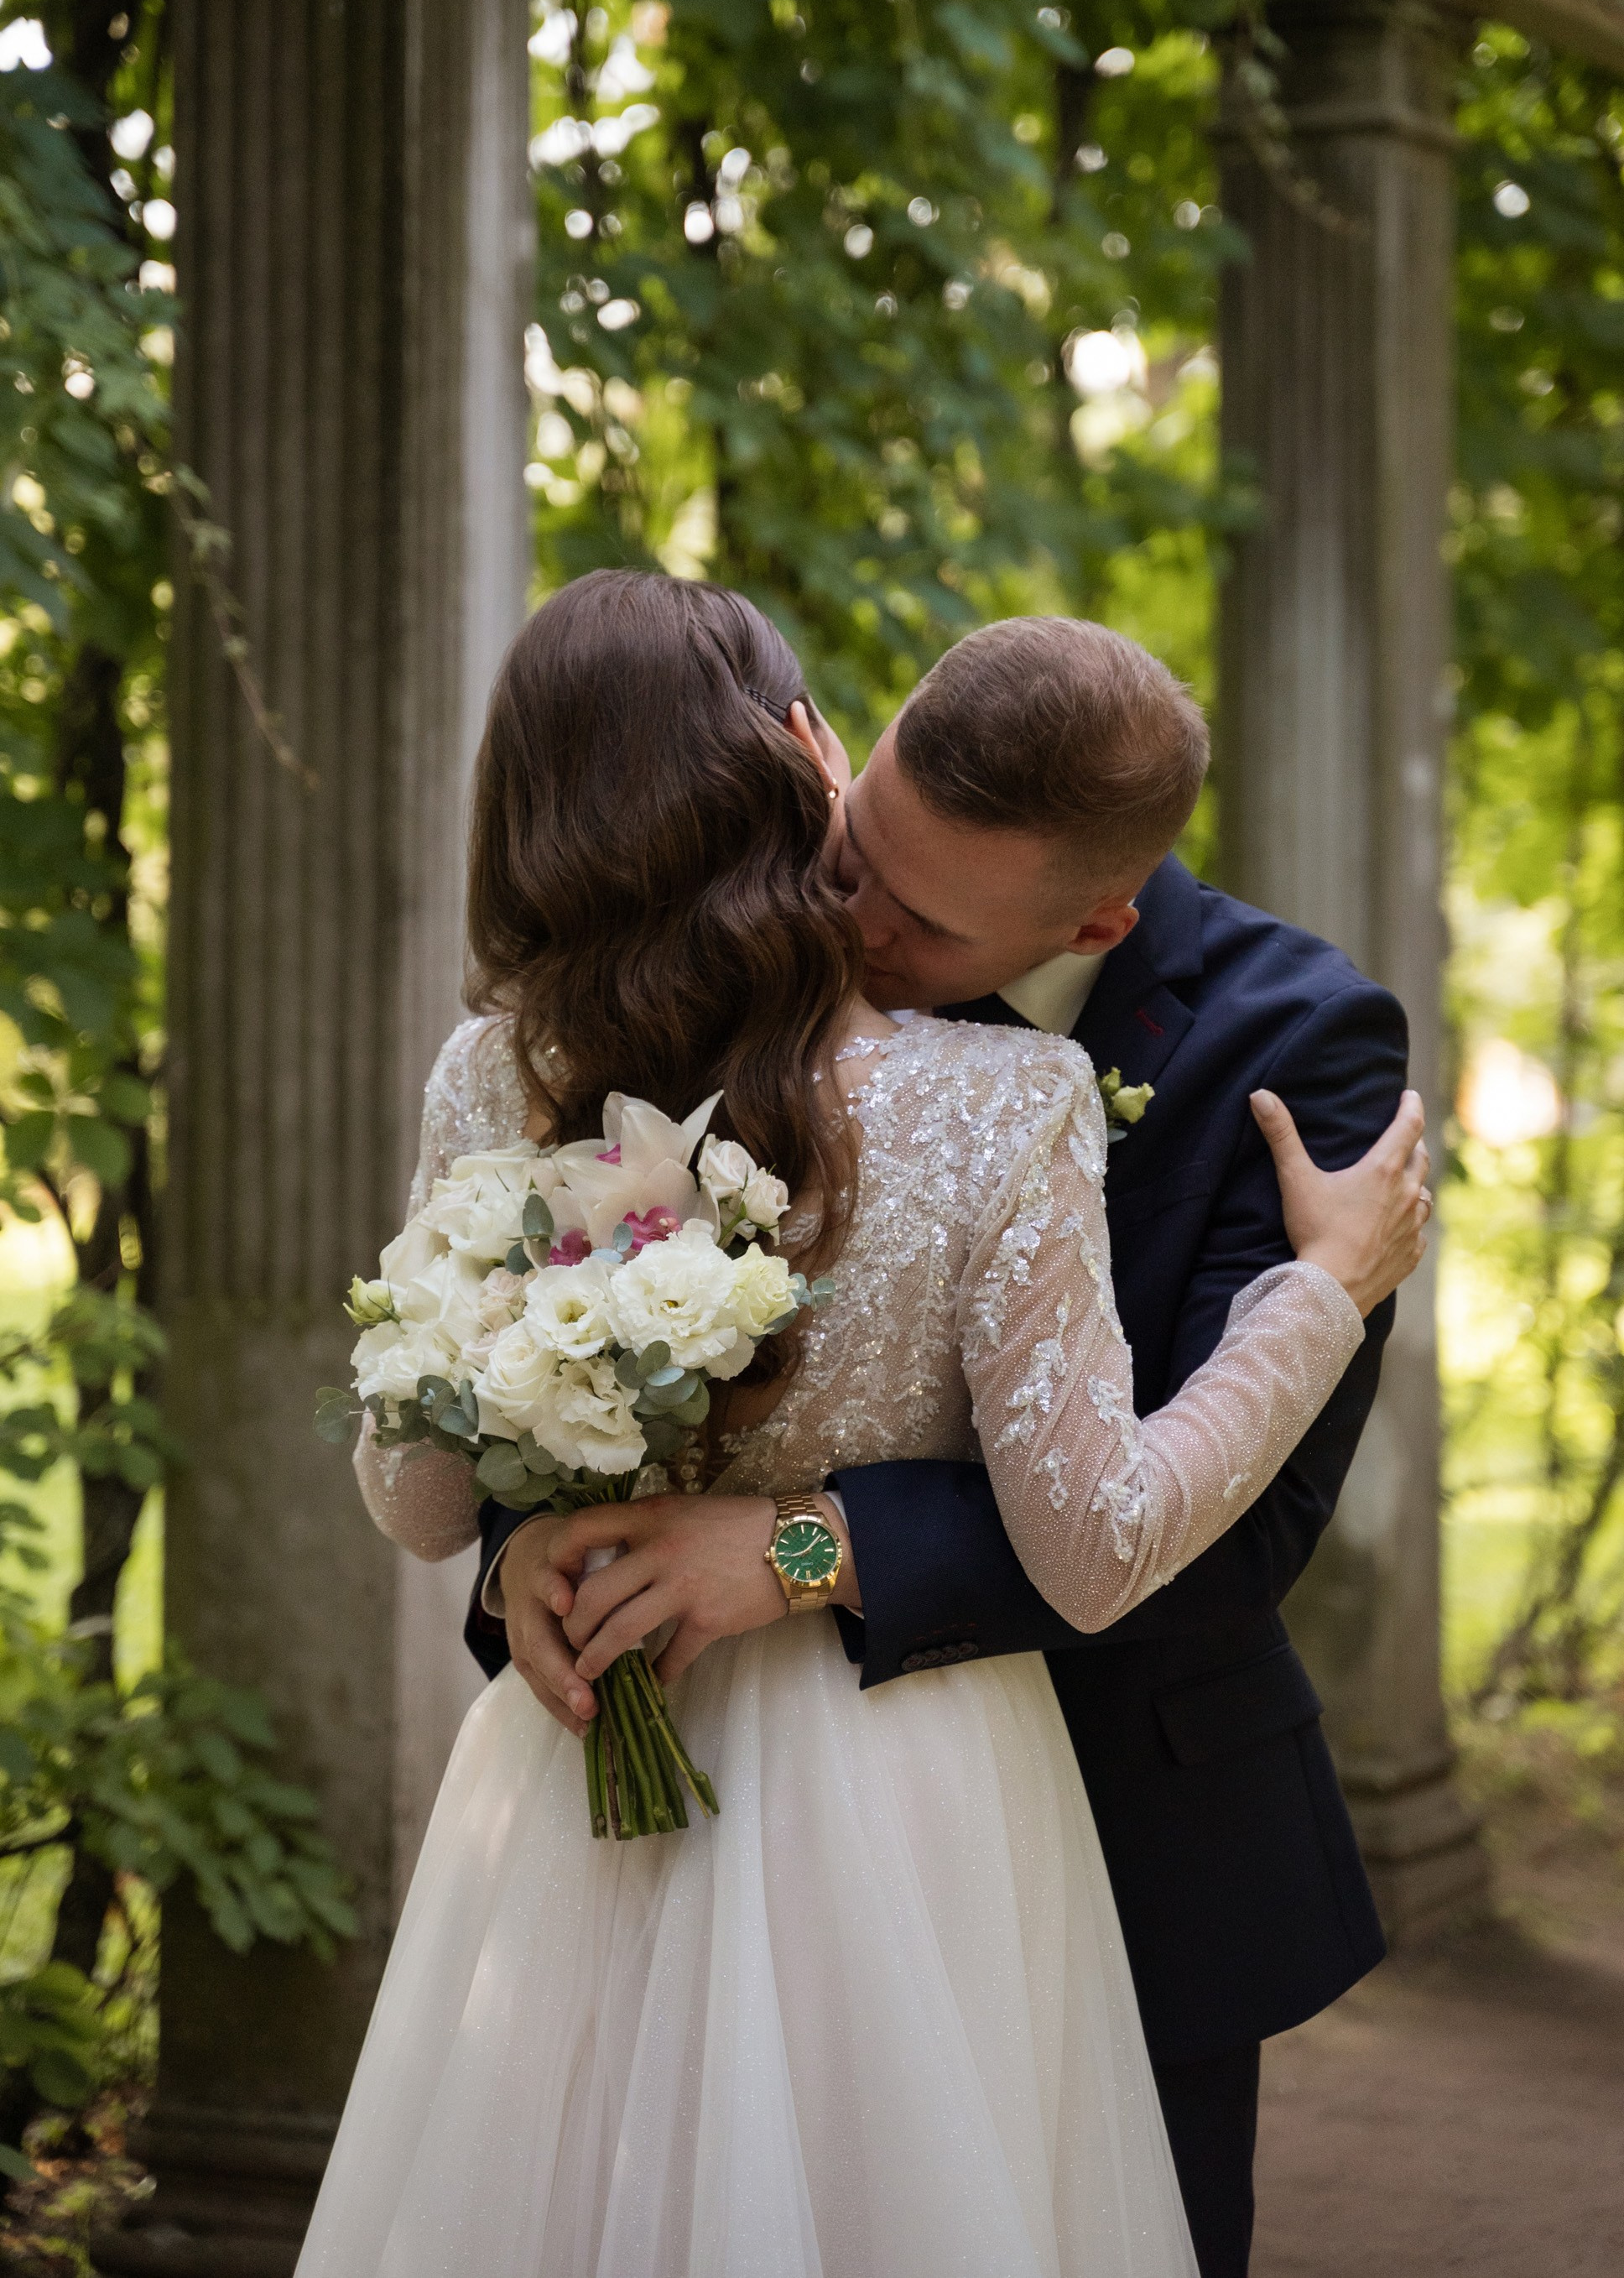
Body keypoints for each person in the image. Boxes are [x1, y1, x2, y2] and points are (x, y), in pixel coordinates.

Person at [300, 573, 1429, 2278]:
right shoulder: (660, 1014)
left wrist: (802, 1548)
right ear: (826, 746)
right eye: (845, 848)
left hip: (1103, 1825)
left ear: (1092, 926)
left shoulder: (1296, 1044)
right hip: (661, 1789)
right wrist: (545, 1533)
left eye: (911, 921)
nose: (844, 919)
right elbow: (543, 1392)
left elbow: (1226, 1541)